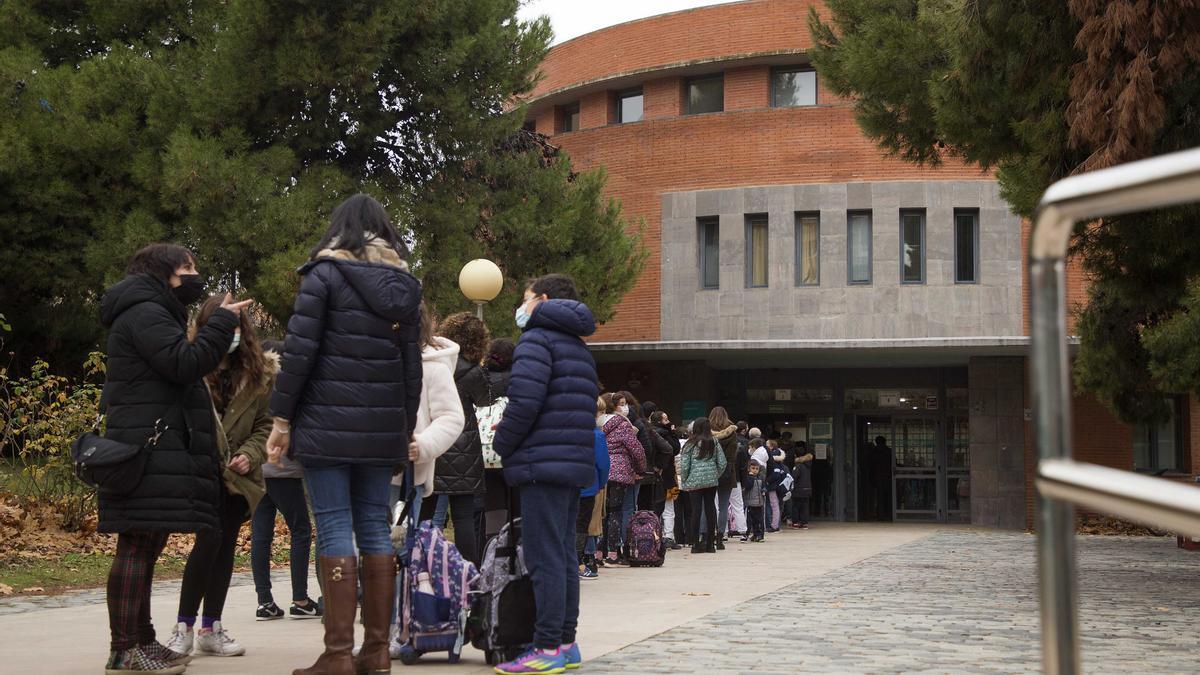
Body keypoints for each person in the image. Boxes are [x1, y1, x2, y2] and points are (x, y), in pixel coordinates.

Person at [267, 193, 423, 675]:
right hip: (381, 429)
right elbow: (410, 368)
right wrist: (403, 428)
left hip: (325, 425)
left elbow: (299, 355)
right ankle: (377, 651)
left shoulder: (324, 275)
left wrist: (281, 420)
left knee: (334, 525)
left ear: (340, 229)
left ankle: (337, 655)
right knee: (376, 526)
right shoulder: (405, 286)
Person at [98, 243, 250, 675]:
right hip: (144, 450)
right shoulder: (145, 312)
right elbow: (184, 363)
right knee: (137, 544)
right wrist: (221, 322)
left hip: (152, 449)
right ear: (164, 273)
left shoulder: (153, 310)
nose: (195, 275)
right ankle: (125, 647)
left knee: (146, 544)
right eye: (188, 268)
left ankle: (142, 640)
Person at [491, 274, 600, 674]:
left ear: (544, 299)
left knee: (544, 557)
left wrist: (502, 443)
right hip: (571, 463)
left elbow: (524, 402)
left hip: (542, 463)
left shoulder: (537, 341)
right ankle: (565, 643)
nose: (521, 306)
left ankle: (547, 646)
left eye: (525, 298)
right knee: (564, 555)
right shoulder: (578, 347)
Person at [165, 295, 273, 658]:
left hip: (239, 477)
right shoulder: (191, 368)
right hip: (202, 471)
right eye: (223, 326)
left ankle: (211, 626)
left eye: (237, 327)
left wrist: (251, 454)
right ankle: (184, 625)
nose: (232, 334)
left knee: (225, 544)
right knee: (208, 539)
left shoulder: (260, 374)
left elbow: (265, 425)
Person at [380, 303, 464, 657]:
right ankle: (376, 632)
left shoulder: (432, 366)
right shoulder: (369, 356)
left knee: (402, 555)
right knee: (368, 554)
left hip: (405, 476)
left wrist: (422, 445)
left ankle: (401, 628)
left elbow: (450, 417)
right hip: (363, 467)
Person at [252, 340, 320, 623]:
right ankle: (300, 598)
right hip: (284, 470)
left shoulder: (253, 387)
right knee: (301, 530)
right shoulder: (287, 391)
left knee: (261, 535)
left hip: (256, 469)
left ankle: (264, 601)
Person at [422, 312, 494, 566]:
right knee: (463, 516)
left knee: (425, 515)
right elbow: (485, 400)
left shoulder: (433, 362)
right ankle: (467, 571)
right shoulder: (473, 372)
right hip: (463, 445)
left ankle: (422, 564)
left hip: (432, 440)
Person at [599, 393, 646, 565]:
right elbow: (636, 450)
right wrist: (641, 469)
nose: (626, 407)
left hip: (600, 470)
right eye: (623, 404)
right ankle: (613, 553)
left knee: (601, 513)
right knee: (615, 512)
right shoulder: (623, 425)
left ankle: (597, 552)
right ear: (614, 406)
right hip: (619, 472)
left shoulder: (597, 423)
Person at [679, 417, 727, 554]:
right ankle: (710, 545)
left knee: (696, 511)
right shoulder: (714, 441)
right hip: (711, 481)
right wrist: (714, 475)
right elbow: (722, 463)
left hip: (694, 481)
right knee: (710, 508)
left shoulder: (690, 443)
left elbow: (684, 465)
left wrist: (685, 480)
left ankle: (695, 544)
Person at [579, 397, 611, 579]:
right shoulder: (596, 435)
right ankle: (586, 561)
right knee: (587, 524)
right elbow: (603, 464)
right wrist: (600, 483)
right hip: (589, 484)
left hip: (566, 486)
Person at [703, 406, 739, 550]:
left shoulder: (706, 430)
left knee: (708, 505)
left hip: (709, 471)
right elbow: (732, 454)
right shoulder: (732, 431)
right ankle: (720, 539)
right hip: (726, 472)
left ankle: (706, 536)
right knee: (724, 506)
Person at [649, 410, 682, 549]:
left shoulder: (648, 433)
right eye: (666, 419)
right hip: (668, 475)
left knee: (654, 508)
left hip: (652, 475)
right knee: (669, 508)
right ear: (659, 421)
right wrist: (672, 432)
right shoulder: (667, 435)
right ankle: (669, 536)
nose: (668, 422)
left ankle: (653, 535)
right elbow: (675, 449)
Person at [869, 435, 894, 521]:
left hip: (878, 477)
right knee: (888, 496)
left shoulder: (874, 452)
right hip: (888, 477)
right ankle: (890, 514)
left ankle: (881, 515)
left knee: (880, 497)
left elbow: (871, 465)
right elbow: (894, 463)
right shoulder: (889, 451)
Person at [741, 461, 766, 542]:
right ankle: (746, 534)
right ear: (749, 469)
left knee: (759, 520)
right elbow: (748, 486)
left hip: (759, 503)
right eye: (753, 468)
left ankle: (759, 535)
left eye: (756, 469)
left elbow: (764, 486)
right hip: (750, 503)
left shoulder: (761, 477)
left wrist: (764, 490)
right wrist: (750, 477)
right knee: (749, 520)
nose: (755, 470)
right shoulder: (747, 477)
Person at [791, 441, 814, 529]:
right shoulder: (808, 465)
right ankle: (804, 522)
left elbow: (794, 477)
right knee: (804, 506)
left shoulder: (798, 465)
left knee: (796, 506)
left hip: (798, 489)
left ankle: (796, 522)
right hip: (807, 488)